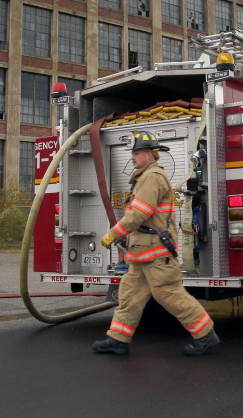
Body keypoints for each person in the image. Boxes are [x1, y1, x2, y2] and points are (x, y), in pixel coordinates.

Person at [92, 131, 219, 357]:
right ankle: (118, 340)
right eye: (132, 152)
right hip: (143, 253)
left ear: (150, 155)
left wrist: (113, 234)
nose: (132, 156)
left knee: (168, 293)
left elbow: (139, 213)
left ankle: (206, 335)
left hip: (156, 254)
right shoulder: (144, 176)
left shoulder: (152, 177)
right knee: (130, 295)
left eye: (137, 152)